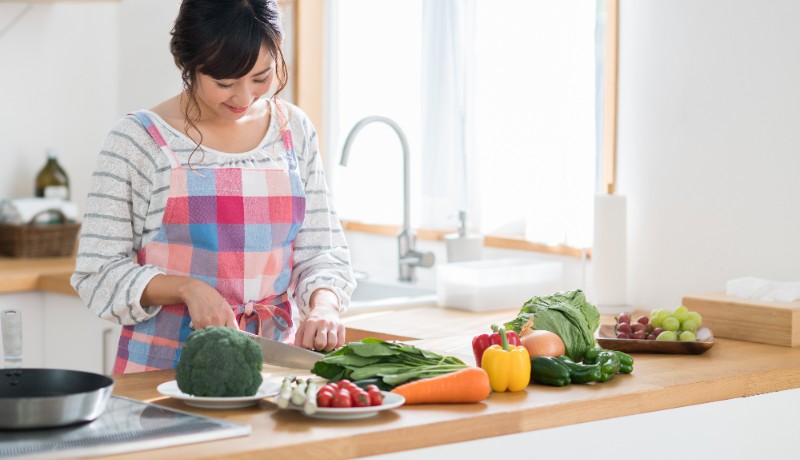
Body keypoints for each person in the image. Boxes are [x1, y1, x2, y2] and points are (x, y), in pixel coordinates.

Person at [71, 0, 355, 374]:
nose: (243, 98)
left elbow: (321, 249)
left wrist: (323, 304)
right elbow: (97, 272)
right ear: (187, 64)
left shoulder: (292, 130)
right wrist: (187, 289)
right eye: (224, 82)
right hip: (161, 371)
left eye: (261, 77)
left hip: (270, 369)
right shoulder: (138, 141)